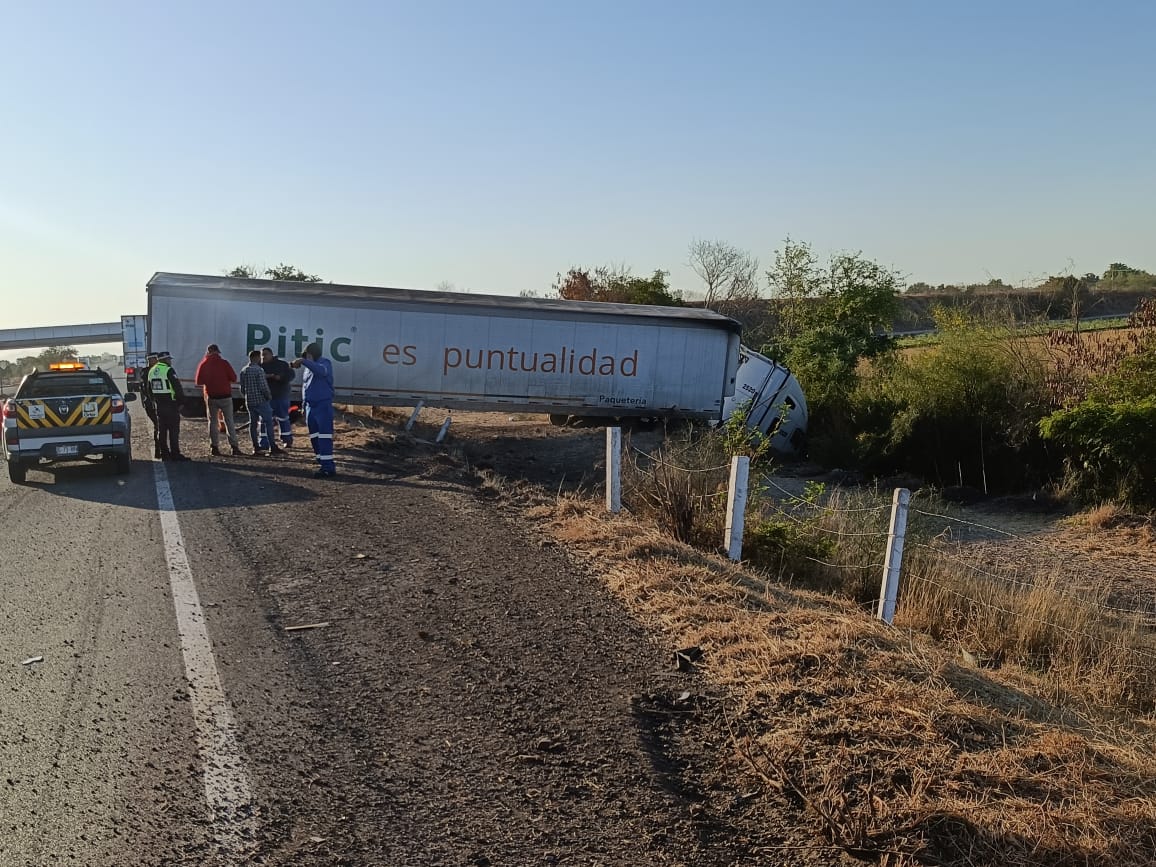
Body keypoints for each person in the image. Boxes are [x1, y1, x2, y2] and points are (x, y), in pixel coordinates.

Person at [290, 343, 336, 477]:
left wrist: (303, 361)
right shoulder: (308, 369)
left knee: (324, 436)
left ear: (312, 354)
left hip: (323, 405)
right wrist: (304, 406)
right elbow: (305, 387)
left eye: (307, 356)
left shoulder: (325, 363)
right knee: (314, 437)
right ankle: (322, 462)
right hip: (310, 406)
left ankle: (328, 467)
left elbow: (322, 372)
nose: (306, 358)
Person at [194, 344, 243, 456]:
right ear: (218, 352)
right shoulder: (224, 363)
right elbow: (234, 378)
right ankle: (234, 447)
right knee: (229, 421)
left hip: (212, 397)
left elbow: (198, 381)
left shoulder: (204, 364)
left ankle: (214, 447)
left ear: (208, 352)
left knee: (213, 422)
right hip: (225, 396)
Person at [240, 350, 283, 456]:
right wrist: (268, 396)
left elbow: (242, 388)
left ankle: (256, 448)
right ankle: (272, 446)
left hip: (250, 401)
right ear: (256, 358)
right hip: (261, 401)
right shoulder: (259, 370)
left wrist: (246, 396)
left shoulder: (244, 370)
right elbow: (263, 387)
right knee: (268, 423)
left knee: (253, 424)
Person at [149, 351, 190, 461]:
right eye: (169, 359)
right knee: (173, 430)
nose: (170, 361)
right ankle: (175, 454)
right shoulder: (168, 370)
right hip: (171, 404)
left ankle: (164, 454)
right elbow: (177, 387)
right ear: (165, 360)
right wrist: (182, 402)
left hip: (159, 404)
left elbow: (149, 390)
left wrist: (155, 401)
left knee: (162, 431)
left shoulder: (151, 371)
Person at [259, 346, 295, 450]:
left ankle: (287, 440)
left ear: (271, 354)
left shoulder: (282, 364)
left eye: (265, 354)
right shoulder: (259, 366)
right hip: (265, 398)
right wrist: (265, 376)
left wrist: (280, 377)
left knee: (283, 419)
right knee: (264, 421)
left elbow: (291, 375)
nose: (263, 356)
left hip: (280, 397)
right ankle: (264, 442)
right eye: (262, 355)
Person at [138, 353, 162, 458]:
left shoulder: (146, 371)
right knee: (158, 426)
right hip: (151, 403)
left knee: (159, 426)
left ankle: (160, 451)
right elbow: (146, 390)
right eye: (152, 359)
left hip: (151, 403)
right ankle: (159, 450)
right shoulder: (148, 372)